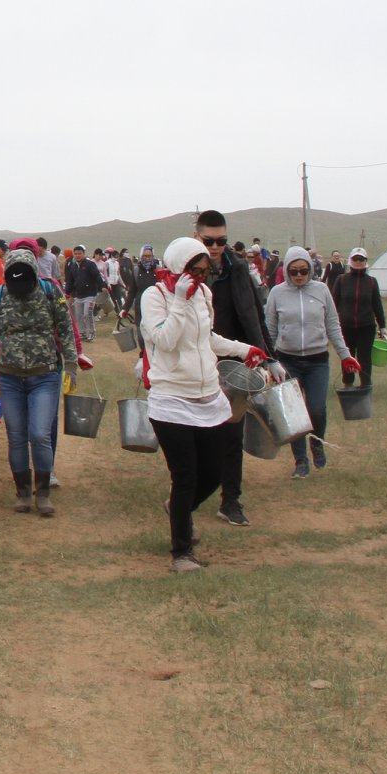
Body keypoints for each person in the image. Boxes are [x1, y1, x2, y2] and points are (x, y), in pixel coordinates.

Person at [140, 237, 274, 572]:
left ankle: (179, 509)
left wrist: (244, 349)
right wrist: (180, 300)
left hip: (208, 395)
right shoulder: (155, 296)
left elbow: (207, 338)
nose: (199, 278)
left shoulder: (203, 294)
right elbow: (165, 340)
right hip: (171, 398)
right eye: (194, 271)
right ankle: (182, 552)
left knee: (213, 473)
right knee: (185, 476)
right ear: (178, 266)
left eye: (204, 272)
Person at [0, 248, 79, 515]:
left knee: (40, 434)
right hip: (10, 378)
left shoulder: (50, 292)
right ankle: (22, 492)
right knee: (17, 436)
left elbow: (65, 328)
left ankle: (42, 492)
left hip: (45, 375)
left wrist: (71, 365)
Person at [195, 210, 270, 527]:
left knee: (232, 431)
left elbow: (254, 314)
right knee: (197, 433)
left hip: (233, 361)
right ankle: (189, 493)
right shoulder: (183, 270)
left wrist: (267, 356)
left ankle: (231, 500)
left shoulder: (237, 269)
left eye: (221, 241)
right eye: (209, 241)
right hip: (196, 363)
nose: (215, 247)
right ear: (196, 237)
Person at [263, 247, 358, 479]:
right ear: (286, 270)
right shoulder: (277, 293)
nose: (298, 275)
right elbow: (270, 330)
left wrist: (346, 355)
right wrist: (268, 361)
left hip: (317, 361)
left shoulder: (322, 290)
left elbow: (332, 325)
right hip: (288, 361)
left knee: (316, 409)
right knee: (294, 415)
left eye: (303, 271)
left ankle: (317, 443)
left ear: (310, 269)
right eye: (293, 271)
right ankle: (301, 461)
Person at [328, 247, 387, 387]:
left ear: (366, 261)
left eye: (362, 259)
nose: (358, 261)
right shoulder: (342, 280)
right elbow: (333, 304)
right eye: (356, 258)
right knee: (347, 356)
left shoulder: (372, 282)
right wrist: (328, 324)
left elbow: (377, 305)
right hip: (346, 326)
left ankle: (365, 385)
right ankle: (348, 384)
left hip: (366, 327)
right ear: (351, 260)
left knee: (364, 357)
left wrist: (382, 326)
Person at [64, 247, 104, 340]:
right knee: (79, 315)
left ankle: (91, 333)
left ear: (84, 254)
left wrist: (102, 285)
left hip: (90, 294)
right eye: (76, 254)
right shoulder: (73, 266)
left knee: (87, 314)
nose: (77, 255)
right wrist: (67, 291)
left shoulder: (90, 264)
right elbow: (70, 281)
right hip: (78, 295)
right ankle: (82, 333)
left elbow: (97, 275)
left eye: (79, 253)